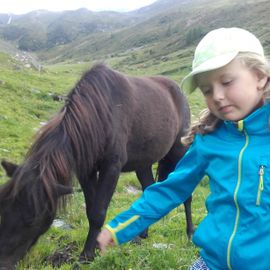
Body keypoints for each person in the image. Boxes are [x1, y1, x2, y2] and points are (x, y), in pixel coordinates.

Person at [97, 27, 270, 270]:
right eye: (207, 90)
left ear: (260, 76)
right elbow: (171, 189)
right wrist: (120, 228)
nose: (217, 96)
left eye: (227, 82)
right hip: (211, 263)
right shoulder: (209, 139)